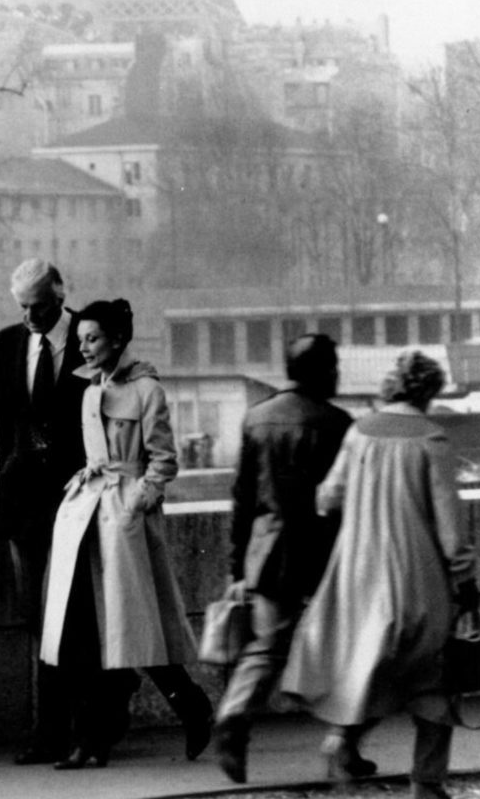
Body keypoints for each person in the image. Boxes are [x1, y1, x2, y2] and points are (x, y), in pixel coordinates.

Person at [282, 350, 479, 799]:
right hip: (417, 576)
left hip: (359, 574)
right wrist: (466, 586)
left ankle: (343, 740)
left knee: (370, 667)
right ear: (429, 390)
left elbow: (327, 498)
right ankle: (426, 785)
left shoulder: (359, 432)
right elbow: (451, 533)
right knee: (433, 680)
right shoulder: (433, 439)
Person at [40, 298, 212, 769]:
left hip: (123, 519)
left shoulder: (146, 391)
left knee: (134, 627)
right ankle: (92, 739)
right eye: (80, 341)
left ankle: (190, 705)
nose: (84, 348)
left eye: (93, 339)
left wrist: (137, 501)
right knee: (85, 633)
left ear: (118, 339)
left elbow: (164, 462)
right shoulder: (87, 387)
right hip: (86, 515)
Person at [215, 333, 360, 784]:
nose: (338, 373)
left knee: (265, 648)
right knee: (352, 649)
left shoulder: (256, 419)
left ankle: (234, 714)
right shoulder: (338, 423)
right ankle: (346, 744)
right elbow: (344, 501)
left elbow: (242, 499)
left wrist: (237, 567)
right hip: (324, 552)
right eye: (333, 365)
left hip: (269, 550)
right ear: (319, 371)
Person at [0, 259, 89, 764]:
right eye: (23, 308)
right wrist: (3, 484)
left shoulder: (88, 340)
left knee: (73, 619)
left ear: (59, 294)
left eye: (39, 306)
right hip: (25, 504)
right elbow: (3, 426)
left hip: (76, 498)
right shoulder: (7, 342)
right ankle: (52, 732)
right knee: (39, 618)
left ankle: (83, 731)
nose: (30, 317)